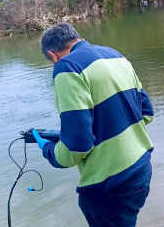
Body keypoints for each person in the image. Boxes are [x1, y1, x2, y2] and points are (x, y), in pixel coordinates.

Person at [32, 23, 154, 227]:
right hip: (141, 171)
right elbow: (146, 114)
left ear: (53, 56)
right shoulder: (114, 55)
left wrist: (48, 150)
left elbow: (77, 146)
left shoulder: (66, 67)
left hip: (110, 186)